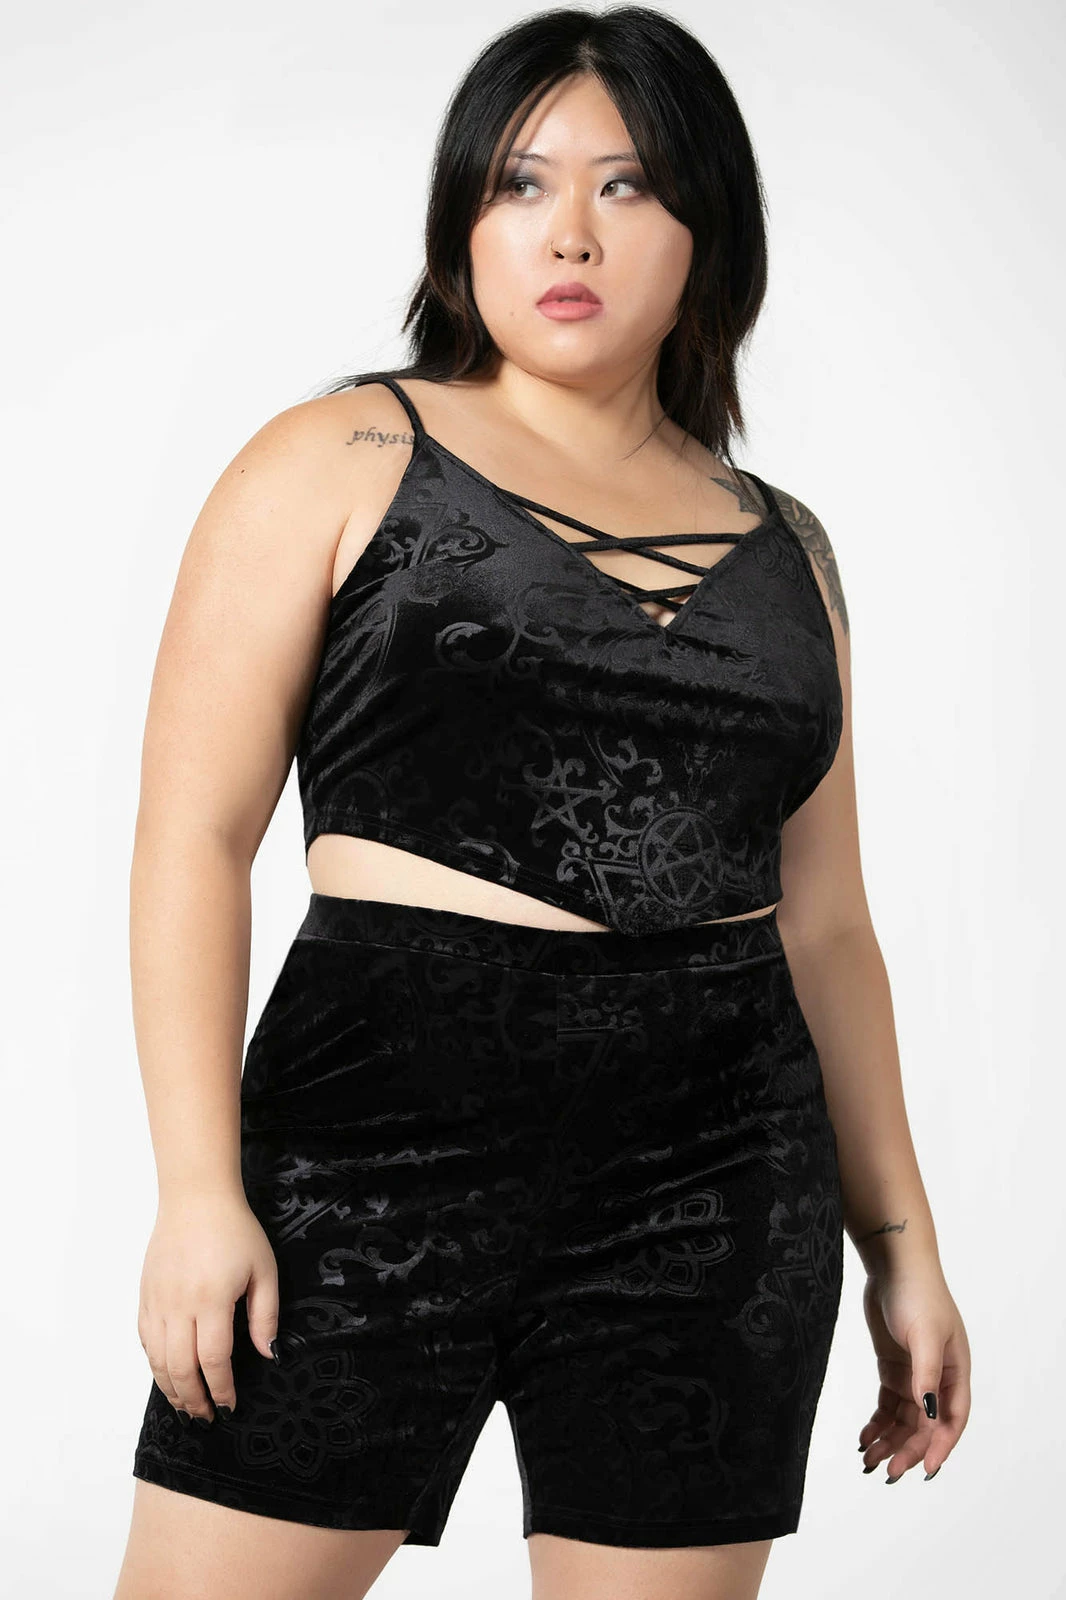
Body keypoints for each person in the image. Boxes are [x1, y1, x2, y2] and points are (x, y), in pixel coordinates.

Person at [113, 8, 971, 1598]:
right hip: (367, 1151)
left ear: (708, 232)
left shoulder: (790, 547)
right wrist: (196, 1193)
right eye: (520, 182)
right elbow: (196, 839)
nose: (568, 231)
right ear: (463, 222)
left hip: (716, 1179)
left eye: (626, 186)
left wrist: (900, 1249)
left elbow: (828, 926)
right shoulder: (338, 454)